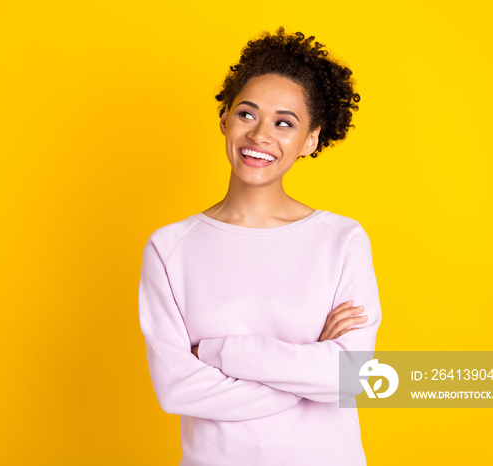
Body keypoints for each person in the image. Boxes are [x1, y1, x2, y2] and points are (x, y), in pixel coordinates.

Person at [138, 27, 381, 466]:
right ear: (224, 118)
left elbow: (350, 377)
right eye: (247, 115)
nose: (260, 135)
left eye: (284, 123)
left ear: (310, 139)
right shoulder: (170, 248)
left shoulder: (341, 241)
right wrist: (308, 374)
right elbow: (177, 389)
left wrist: (217, 353)